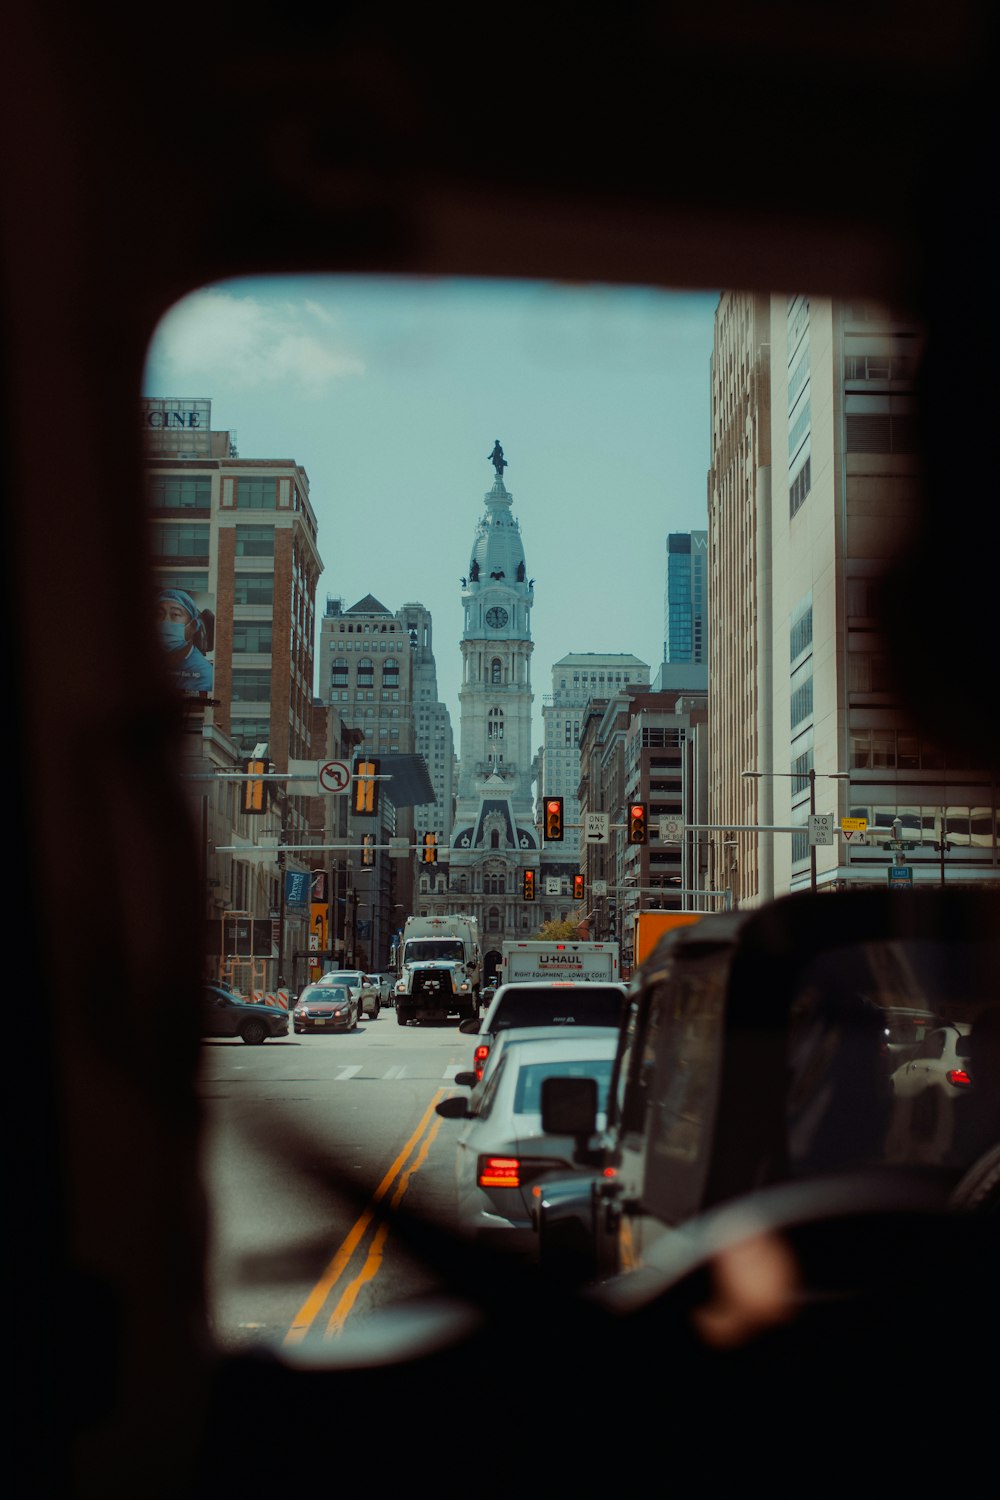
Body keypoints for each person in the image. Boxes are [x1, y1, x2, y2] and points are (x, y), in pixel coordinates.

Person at [157, 587, 213, 694]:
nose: (165, 621)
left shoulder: (204, 676)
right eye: (159, 614)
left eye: (175, 615)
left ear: (193, 626)